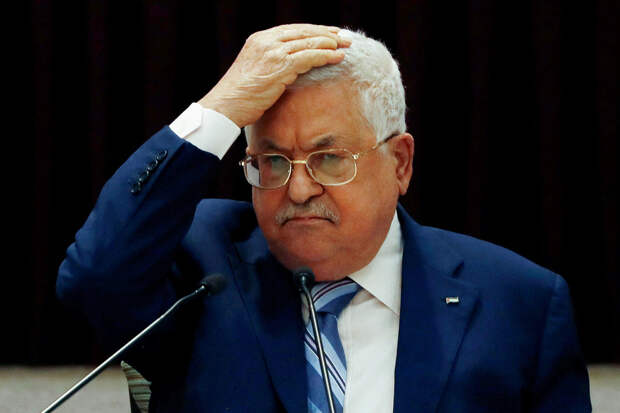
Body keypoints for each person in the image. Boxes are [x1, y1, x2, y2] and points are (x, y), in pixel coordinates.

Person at [57, 24, 591, 412]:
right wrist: (219, 110)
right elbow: (95, 279)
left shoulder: (520, 303)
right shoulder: (201, 266)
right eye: (271, 161)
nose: (298, 188)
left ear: (400, 163)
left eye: (329, 159)